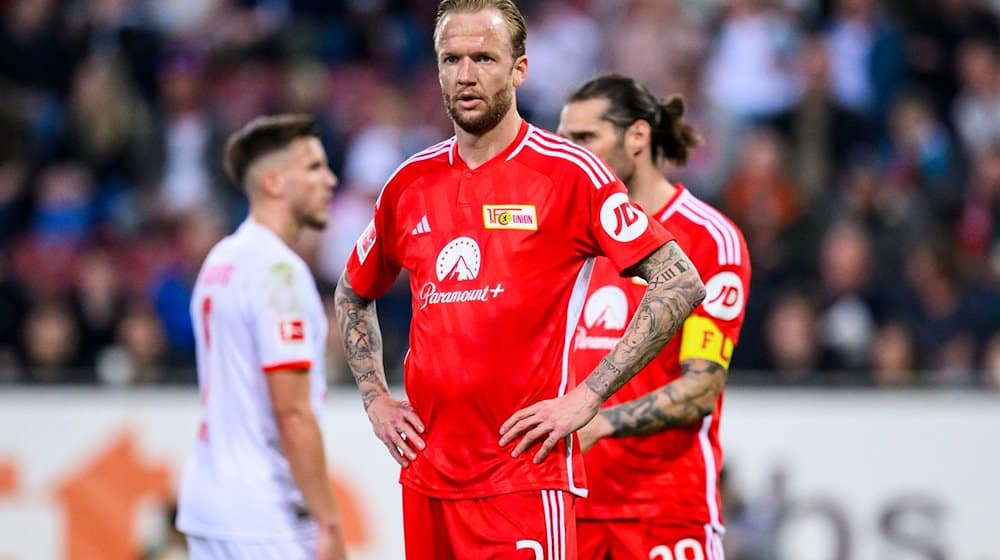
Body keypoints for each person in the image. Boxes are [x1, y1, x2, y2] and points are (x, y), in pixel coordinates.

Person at [334, 1, 706, 558]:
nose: (466, 75)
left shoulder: (568, 173)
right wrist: (374, 397)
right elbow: (352, 292)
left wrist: (589, 395)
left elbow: (679, 281)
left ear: (519, 69)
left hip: (523, 481)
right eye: (451, 59)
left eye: (484, 58)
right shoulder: (409, 184)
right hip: (425, 479)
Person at [557, 74, 751, 559]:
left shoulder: (709, 238)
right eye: (563, 141)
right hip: (567, 508)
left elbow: (701, 388)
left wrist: (599, 423)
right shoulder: (563, 240)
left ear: (637, 137)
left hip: (662, 511)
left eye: (584, 139)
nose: (570, 155)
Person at [175, 115, 347, 560]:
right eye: (313, 168)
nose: (329, 180)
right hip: (265, 516)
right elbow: (291, 410)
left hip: (208, 505)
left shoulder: (220, 261)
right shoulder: (279, 273)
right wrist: (328, 520)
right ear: (274, 182)